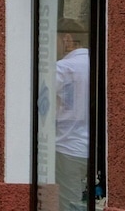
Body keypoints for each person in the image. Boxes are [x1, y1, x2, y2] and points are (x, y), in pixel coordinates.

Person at [53, 18, 91, 211]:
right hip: (94, 150)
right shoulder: (99, 62)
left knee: (69, 203)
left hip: (68, 146)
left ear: (67, 39)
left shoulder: (62, 68)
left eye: (55, 40)